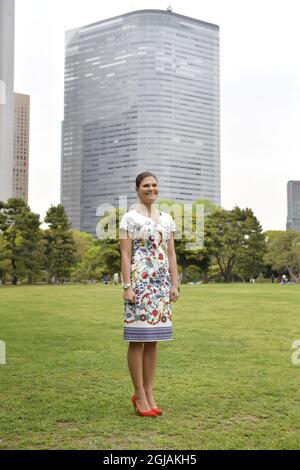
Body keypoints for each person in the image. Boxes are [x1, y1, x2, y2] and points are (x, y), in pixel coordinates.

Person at [119, 171, 180, 417]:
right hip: (139, 283)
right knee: (137, 338)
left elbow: (172, 253)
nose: (151, 189)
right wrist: (126, 286)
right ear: (137, 188)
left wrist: (175, 284)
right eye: (146, 185)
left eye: (155, 185)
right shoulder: (128, 218)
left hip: (161, 285)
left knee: (153, 339)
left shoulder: (167, 219)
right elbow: (124, 254)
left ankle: (149, 392)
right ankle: (139, 394)